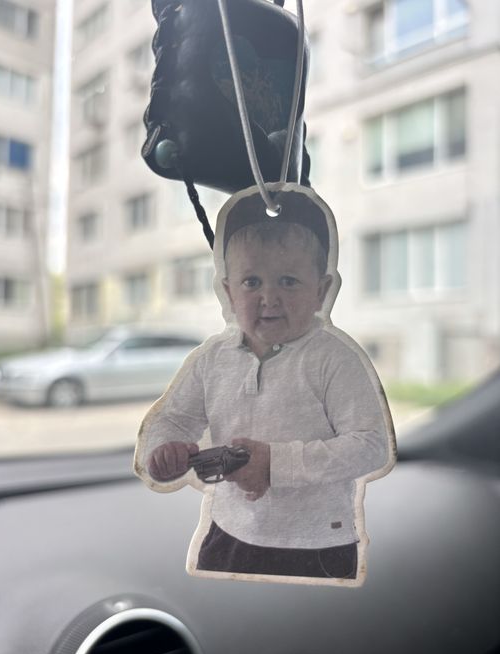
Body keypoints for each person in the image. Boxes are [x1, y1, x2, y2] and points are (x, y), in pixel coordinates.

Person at [134, 184, 395, 584]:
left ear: (321, 291)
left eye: (288, 281)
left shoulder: (334, 359)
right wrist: (164, 450)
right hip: (227, 533)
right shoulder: (211, 359)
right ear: (228, 292)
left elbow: (371, 446)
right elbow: (173, 419)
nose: (269, 297)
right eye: (251, 282)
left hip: (317, 544)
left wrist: (275, 464)